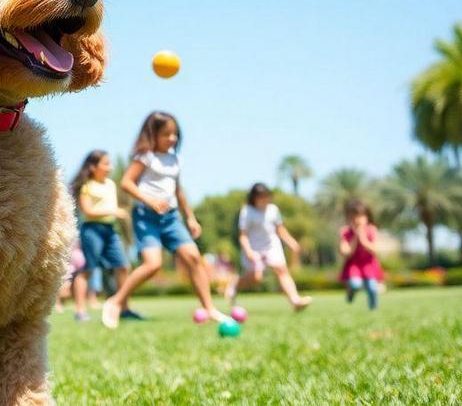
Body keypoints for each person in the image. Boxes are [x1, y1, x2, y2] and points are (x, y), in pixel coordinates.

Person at [101, 111, 225, 328]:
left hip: (171, 218)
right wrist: (150, 200)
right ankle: (115, 302)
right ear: (153, 134)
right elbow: (127, 183)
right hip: (146, 217)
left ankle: (209, 308)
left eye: (175, 134)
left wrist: (191, 218)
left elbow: (179, 192)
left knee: (193, 258)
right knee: (153, 265)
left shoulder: (175, 159)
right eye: (166, 134)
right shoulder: (145, 157)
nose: (172, 139)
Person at [225, 183, 312, 311]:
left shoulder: (273, 210)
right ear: (254, 198)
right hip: (253, 247)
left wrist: (291, 242)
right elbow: (242, 236)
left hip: (271, 246)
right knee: (256, 278)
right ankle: (235, 284)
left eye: (267, 196)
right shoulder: (247, 211)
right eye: (261, 197)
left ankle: (295, 301)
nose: (265, 200)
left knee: (281, 270)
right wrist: (248, 251)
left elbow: (280, 230)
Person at [70, 150, 129, 321]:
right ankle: (80, 311)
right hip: (92, 230)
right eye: (105, 163)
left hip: (110, 230)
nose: (109, 167)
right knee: (88, 270)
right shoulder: (86, 185)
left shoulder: (110, 184)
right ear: (93, 166)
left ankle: (124, 308)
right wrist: (113, 211)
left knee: (123, 266)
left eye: (110, 163)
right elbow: (87, 210)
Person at [339, 199, 384, 310]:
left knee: (372, 288)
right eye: (353, 217)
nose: (357, 220)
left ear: (367, 217)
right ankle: (351, 292)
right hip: (353, 265)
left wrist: (363, 240)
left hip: (369, 264)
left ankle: (373, 310)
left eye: (360, 216)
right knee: (355, 285)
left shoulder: (372, 230)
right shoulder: (345, 232)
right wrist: (355, 238)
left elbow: (375, 249)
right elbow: (345, 253)